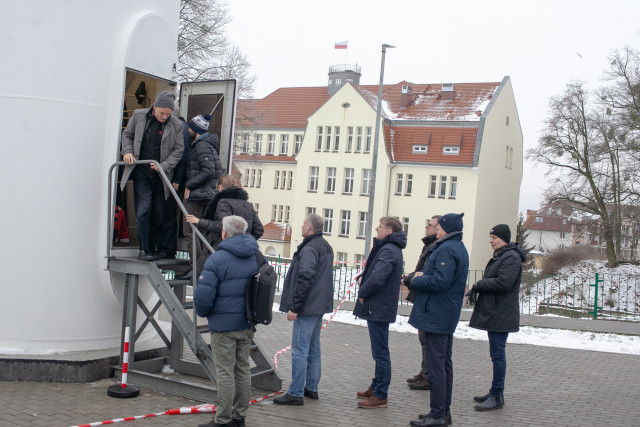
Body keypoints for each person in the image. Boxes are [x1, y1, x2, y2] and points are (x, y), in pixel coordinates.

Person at [405, 213, 469, 427]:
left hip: (437, 315)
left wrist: (416, 279)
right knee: (443, 365)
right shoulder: (454, 246)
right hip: (442, 314)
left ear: (447, 229)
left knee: (436, 367)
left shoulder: (448, 248)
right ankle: (441, 412)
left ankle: (438, 414)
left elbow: (441, 281)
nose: (436, 229)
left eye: (439, 226)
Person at [194, 215, 258, 427]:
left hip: (223, 327)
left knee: (225, 372)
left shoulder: (217, 259)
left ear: (224, 233)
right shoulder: (256, 256)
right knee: (242, 369)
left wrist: (205, 313)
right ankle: (239, 417)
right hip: (246, 323)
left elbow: (203, 297)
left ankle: (222, 419)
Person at [273, 214, 334, 406]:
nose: (301, 226)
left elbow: (305, 277)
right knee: (313, 347)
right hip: (319, 305)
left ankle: (296, 392)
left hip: (307, 306)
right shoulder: (325, 246)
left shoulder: (309, 248)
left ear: (309, 227)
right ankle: (311, 388)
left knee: (300, 349)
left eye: (303, 224)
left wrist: (295, 306)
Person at [466, 224, 525, 411]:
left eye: (494, 238)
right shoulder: (503, 255)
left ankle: (497, 395)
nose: (491, 241)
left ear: (504, 239)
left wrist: (479, 284)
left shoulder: (511, 257)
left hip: (502, 312)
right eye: (490, 237)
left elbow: (504, 282)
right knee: (495, 354)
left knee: (498, 354)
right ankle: (494, 391)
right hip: (497, 311)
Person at [120, 91, 184, 261]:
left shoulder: (176, 125)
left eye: (168, 114)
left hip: (161, 175)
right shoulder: (138, 116)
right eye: (162, 113)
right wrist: (127, 152)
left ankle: (153, 247)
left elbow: (179, 150)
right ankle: (144, 249)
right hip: (141, 171)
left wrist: (163, 167)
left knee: (158, 212)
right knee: (143, 209)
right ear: (154, 107)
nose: (164, 117)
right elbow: (127, 135)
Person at [353, 217, 407, 409]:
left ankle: (381, 394)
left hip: (379, 307)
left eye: (380, 226)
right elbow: (374, 272)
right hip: (378, 306)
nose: (376, 228)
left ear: (389, 231)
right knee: (379, 351)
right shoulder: (388, 248)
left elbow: (378, 278)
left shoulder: (389, 250)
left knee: (381, 353)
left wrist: (362, 292)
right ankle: (376, 386)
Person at [185, 174, 263, 277]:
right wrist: (244, 241)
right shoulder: (247, 205)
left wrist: (199, 221)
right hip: (241, 253)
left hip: (221, 248)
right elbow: (259, 230)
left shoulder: (223, 202)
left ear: (220, 187)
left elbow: (223, 225)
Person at [181, 114, 223, 273]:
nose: (188, 129)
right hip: (206, 195)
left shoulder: (201, 146)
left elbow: (208, 171)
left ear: (196, 130)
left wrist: (189, 186)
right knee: (201, 232)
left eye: (190, 127)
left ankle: (196, 268)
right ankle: (201, 267)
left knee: (190, 230)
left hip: (199, 195)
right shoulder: (207, 144)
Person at [403, 215, 441, 391]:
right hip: (421, 295)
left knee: (426, 338)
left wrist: (410, 278)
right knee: (423, 338)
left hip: (427, 297)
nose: (427, 227)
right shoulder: (430, 244)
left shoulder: (436, 246)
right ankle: (424, 371)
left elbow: (425, 272)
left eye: (431, 225)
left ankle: (428, 375)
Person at [157, 113, 190, 259]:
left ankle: (167, 248)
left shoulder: (180, 129)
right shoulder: (183, 128)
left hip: (172, 179)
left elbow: (182, 158)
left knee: (167, 213)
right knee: (168, 213)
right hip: (172, 178)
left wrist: (176, 180)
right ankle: (166, 248)